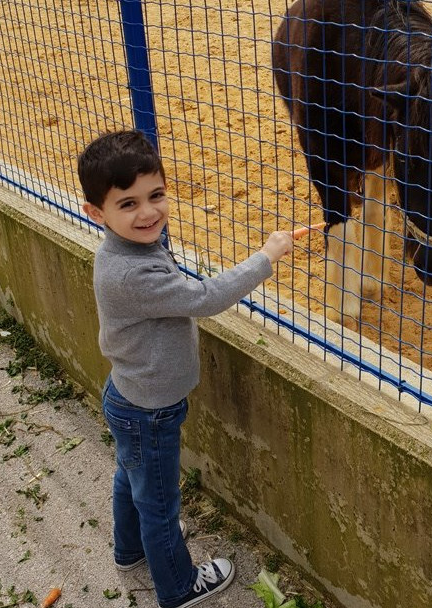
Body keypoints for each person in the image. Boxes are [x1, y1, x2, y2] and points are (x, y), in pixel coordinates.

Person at [77, 130, 294, 608]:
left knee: (129, 477)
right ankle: (178, 587)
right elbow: (204, 298)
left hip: (128, 394)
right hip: (150, 409)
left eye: (155, 195)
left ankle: (129, 550)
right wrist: (265, 257)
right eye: (128, 204)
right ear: (96, 213)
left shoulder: (123, 251)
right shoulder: (133, 272)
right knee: (159, 504)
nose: (149, 212)